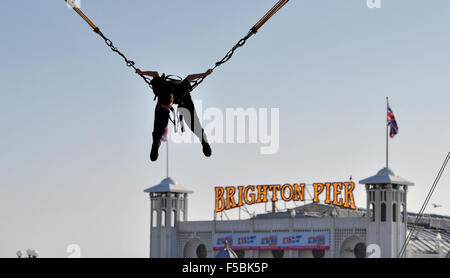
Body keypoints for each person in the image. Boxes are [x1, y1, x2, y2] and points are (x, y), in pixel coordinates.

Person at [136, 68, 213, 162]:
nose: (166, 108)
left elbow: (189, 77)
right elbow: (155, 74)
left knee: (193, 123)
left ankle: (204, 141)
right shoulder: (158, 89)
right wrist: (141, 72)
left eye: (167, 107)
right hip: (164, 94)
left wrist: (204, 74)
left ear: (172, 102)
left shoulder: (181, 91)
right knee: (159, 124)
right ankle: (155, 144)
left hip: (183, 98)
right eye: (165, 107)